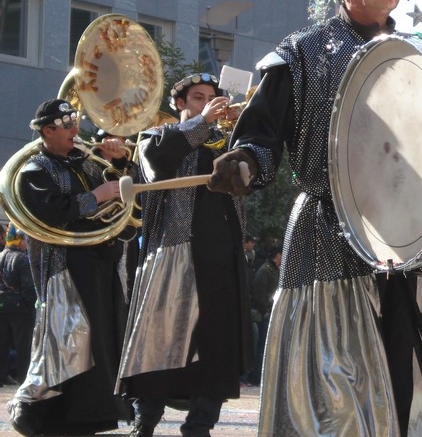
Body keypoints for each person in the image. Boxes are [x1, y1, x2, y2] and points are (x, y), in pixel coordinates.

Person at [207, 0, 422, 436]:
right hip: (329, 230)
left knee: (402, 367)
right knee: (337, 384)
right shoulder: (302, 52)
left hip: (406, 233)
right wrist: (246, 164)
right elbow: (263, 134)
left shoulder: (418, 55)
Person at [117, 73, 253, 437]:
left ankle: (200, 425)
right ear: (181, 104)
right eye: (198, 98)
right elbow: (156, 162)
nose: (208, 103)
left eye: (212, 98)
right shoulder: (155, 136)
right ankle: (144, 422)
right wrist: (202, 121)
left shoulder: (228, 145)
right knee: (159, 340)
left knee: (218, 345)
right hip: (174, 254)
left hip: (222, 258)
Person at [7, 98, 131, 436]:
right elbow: (52, 211)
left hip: (100, 263)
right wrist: (100, 196)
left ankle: (90, 415)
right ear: (48, 131)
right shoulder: (35, 169)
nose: (76, 132)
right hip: (65, 266)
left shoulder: (90, 164)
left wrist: (120, 163)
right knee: (71, 338)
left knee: (101, 339)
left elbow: (127, 202)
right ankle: (41, 411)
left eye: (75, 124)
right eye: (67, 127)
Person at [0, 224, 35, 386]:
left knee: (2, 345)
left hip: (2, 308)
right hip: (20, 309)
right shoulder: (21, 259)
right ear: (20, 241)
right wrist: (29, 305)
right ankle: (23, 379)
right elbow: (29, 287)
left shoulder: (1, 255)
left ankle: (1, 376)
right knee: (23, 347)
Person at [249, 242, 282, 386]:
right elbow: (259, 294)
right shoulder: (265, 271)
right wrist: (266, 310)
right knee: (261, 347)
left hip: (271, 313)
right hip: (264, 314)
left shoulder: (275, 270)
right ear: (277, 255)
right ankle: (256, 377)